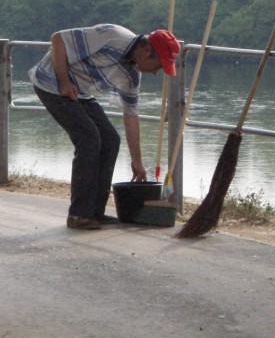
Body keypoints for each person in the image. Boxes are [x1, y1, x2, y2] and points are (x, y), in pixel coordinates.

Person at [29, 24, 179, 229]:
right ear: (146, 51)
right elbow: (57, 40)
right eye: (158, 66)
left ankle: (95, 212)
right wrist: (64, 81)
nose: (156, 73)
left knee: (110, 140)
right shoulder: (113, 36)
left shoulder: (132, 75)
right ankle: (78, 215)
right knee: (89, 138)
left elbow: (131, 115)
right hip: (51, 83)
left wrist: (137, 161)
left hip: (80, 91)